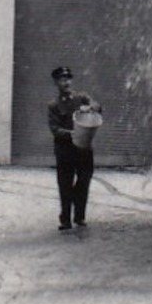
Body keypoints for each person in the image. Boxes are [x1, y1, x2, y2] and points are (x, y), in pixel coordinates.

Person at [46, 66, 102, 231]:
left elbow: (98, 106)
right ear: (56, 82)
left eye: (68, 78)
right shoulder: (54, 105)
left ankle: (80, 216)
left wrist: (90, 107)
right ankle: (65, 219)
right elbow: (54, 128)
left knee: (84, 181)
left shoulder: (82, 97)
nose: (66, 82)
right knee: (65, 184)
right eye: (62, 79)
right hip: (65, 149)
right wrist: (71, 133)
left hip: (83, 148)